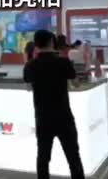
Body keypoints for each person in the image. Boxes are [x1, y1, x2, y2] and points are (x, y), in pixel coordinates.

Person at [24, 30, 84, 179]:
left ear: (36, 44)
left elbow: (28, 86)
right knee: (73, 157)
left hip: (42, 118)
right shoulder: (63, 62)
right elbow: (76, 84)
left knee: (43, 158)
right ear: (52, 42)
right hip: (64, 116)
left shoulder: (30, 65)